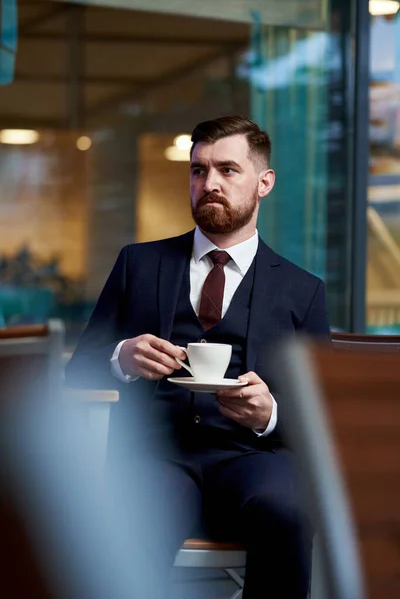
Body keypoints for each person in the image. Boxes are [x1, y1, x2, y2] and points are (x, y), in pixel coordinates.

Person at [66, 115, 331, 598]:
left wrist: (270, 416)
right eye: (198, 170)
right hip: (155, 455)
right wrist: (121, 356)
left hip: (256, 458)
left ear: (264, 183)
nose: (209, 184)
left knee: (290, 511)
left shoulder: (303, 291)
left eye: (228, 170)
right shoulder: (138, 264)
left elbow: (325, 415)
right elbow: (76, 371)